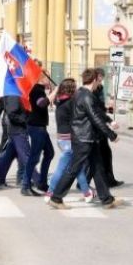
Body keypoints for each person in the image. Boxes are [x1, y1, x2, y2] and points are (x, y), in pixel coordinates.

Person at [49, 68, 123, 210]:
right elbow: (95, 118)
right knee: (73, 168)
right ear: (94, 79)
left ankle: (107, 199)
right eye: (98, 80)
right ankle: (56, 197)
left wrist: (108, 122)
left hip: (87, 137)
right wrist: (111, 134)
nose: (99, 83)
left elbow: (96, 113)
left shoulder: (80, 94)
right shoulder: (86, 96)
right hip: (84, 138)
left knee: (98, 167)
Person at [46, 78, 94, 202]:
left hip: (61, 139)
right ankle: (50, 192)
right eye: (75, 87)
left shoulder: (59, 101)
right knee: (64, 168)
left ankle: (86, 192)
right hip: (69, 139)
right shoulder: (71, 103)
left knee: (76, 167)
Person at [0, 94, 41, 197]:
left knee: (8, 155)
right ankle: (39, 182)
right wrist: (26, 120)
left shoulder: (17, 93)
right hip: (18, 129)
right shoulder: (13, 95)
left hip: (16, 129)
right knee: (27, 157)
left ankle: (0, 179)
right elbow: (12, 113)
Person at [23, 72, 57, 194]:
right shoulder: (36, 89)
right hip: (36, 127)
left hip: (40, 126)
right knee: (34, 157)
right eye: (48, 77)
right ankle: (25, 185)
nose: (50, 81)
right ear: (42, 79)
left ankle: (42, 183)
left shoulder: (39, 89)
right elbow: (41, 104)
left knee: (49, 153)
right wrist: (54, 93)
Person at [94, 68, 123, 187]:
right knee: (97, 156)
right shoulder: (91, 91)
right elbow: (95, 110)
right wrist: (109, 121)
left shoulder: (100, 88)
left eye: (102, 76)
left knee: (105, 153)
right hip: (96, 125)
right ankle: (103, 182)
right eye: (100, 76)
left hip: (101, 121)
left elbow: (100, 107)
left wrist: (107, 111)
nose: (102, 79)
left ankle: (109, 180)